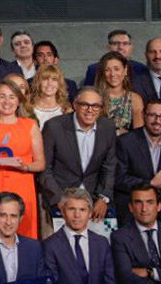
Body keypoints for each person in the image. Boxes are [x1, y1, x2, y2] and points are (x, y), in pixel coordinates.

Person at [37, 86, 117, 234]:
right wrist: (60, 200)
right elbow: (44, 169)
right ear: (75, 105)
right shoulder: (54, 126)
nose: (90, 110)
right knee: (60, 247)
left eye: (95, 106)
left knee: (98, 246)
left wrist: (104, 197)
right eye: (85, 104)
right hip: (59, 203)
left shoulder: (108, 127)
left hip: (94, 203)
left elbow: (110, 166)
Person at [0, 81, 44, 239]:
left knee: (23, 230)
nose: (7, 101)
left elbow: (40, 163)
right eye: (2, 96)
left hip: (21, 184)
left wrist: (25, 167)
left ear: (19, 100)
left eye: (12, 97)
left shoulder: (30, 125)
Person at [114, 98, 161, 227]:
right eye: (152, 115)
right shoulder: (126, 142)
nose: (157, 121)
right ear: (143, 115)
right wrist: (150, 183)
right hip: (134, 209)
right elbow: (119, 179)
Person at [84, 29, 149, 88]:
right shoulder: (94, 69)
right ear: (108, 47)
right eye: (115, 43)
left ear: (131, 47)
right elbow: (86, 93)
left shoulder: (142, 69)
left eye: (125, 43)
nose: (120, 47)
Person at [92, 51, 135, 135]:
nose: (112, 74)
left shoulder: (134, 99)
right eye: (107, 70)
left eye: (116, 69)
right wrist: (118, 132)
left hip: (125, 143)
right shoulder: (93, 98)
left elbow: (139, 134)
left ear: (125, 70)